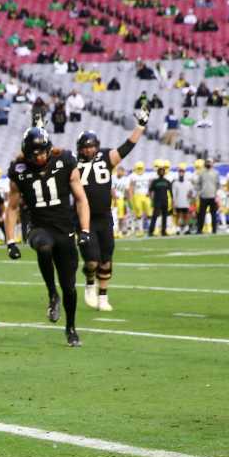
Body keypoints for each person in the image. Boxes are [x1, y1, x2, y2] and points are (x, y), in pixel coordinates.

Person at [4, 127, 92, 345]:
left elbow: (81, 199)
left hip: (64, 228)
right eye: (36, 153)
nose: (41, 157)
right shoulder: (18, 169)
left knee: (70, 287)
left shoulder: (65, 160)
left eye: (44, 152)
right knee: (43, 246)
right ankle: (52, 294)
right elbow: (12, 207)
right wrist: (10, 241)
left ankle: (71, 328)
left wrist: (85, 230)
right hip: (37, 226)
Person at [75, 115, 146, 311]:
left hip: (105, 217)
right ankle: (90, 280)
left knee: (106, 259)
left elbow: (127, 146)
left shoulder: (106, 157)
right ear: (80, 148)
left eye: (92, 146)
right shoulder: (72, 163)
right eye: (86, 146)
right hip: (84, 219)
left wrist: (140, 126)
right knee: (91, 261)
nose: (89, 149)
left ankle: (103, 296)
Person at [195, 159, 220, 235]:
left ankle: (214, 230)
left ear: (212, 163)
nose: (208, 163)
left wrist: (216, 195)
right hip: (203, 197)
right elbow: (198, 184)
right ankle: (199, 230)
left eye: (210, 162)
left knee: (213, 214)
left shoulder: (216, 173)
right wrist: (199, 192)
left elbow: (218, 184)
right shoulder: (201, 172)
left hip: (213, 196)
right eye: (207, 162)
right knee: (201, 214)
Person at [148, 162, 172, 237]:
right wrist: (151, 199)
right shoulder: (155, 181)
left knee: (164, 217)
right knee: (154, 216)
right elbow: (150, 191)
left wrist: (172, 201)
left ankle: (163, 231)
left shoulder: (167, 181)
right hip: (157, 201)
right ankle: (151, 231)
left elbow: (171, 192)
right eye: (160, 171)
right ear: (158, 173)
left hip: (165, 201)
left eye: (163, 171)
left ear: (164, 173)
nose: (161, 172)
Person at [171, 164, 194, 234]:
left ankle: (186, 228)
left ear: (184, 172)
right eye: (180, 171)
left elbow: (191, 191)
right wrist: (174, 202)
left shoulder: (188, 182)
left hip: (186, 202)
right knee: (178, 215)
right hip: (178, 202)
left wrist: (190, 196)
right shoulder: (175, 183)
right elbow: (174, 194)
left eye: (182, 171)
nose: (181, 173)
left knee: (186, 215)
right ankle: (177, 228)